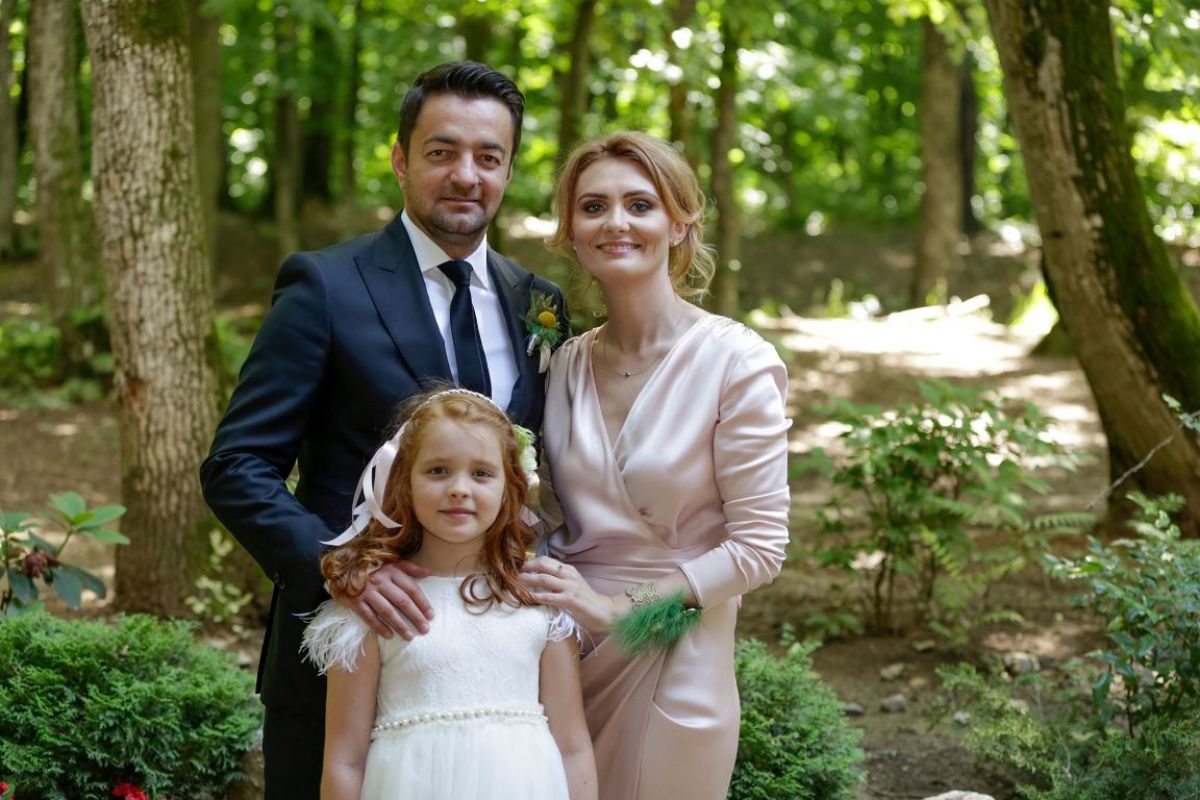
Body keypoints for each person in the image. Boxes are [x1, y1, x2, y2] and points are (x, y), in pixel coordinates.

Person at [199, 61, 569, 799]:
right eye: (441, 151)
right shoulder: (324, 285)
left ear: (508, 170)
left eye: (488, 157)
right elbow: (237, 465)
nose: (465, 175)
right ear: (401, 160)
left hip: (494, 682)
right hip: (344, 659)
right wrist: (340, 566)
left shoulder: (541, 303)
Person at [520, 131, 791, 800]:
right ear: (570, 232)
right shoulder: (562, 362)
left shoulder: (737, 362)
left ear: (679, 225)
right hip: (561, 653)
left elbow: (759, 548)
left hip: (678, 653)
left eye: (639, 205)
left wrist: (619, 609)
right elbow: (546, 513)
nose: (615, 222)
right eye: (593, 207)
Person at [301, 389, 596, 800]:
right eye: (438, 470)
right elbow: (345, 761)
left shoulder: (541, 605)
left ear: (510, 487)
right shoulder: (374, 607)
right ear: (405, 482)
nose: (459, 488)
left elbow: (573, 748)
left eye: (481, 473)